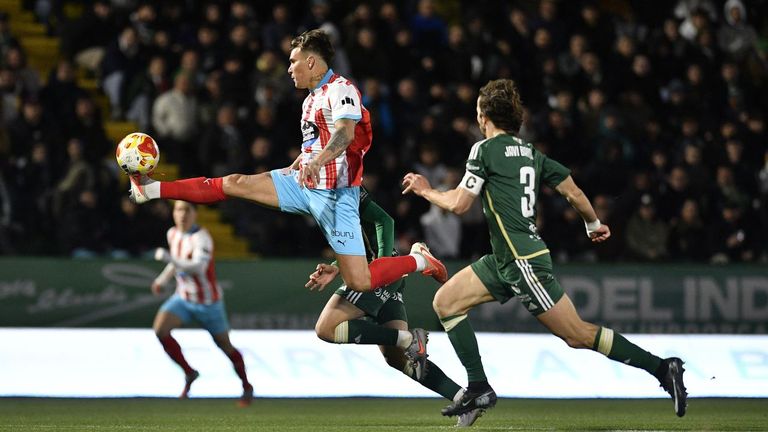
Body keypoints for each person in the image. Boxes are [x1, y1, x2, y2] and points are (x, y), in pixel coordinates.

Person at [128, 29, 442, 377]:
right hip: (303, 183)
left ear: (311, 61)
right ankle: (153, 190)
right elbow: (316, 143)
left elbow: (345, 134)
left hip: (336, 195)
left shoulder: (342, 89)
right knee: (235, 183)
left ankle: (418, 260)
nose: (289, 69)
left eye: (293, 62)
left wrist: (318, 161)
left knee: (360, 281)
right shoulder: (309, 101)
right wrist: (300, 162)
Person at [401, 79, 688, 419]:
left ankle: (662, 368)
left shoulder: (484, 150)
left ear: (485, 116)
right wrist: (593, 224)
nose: (476, 117)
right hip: (505, 258)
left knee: (578, 334)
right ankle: (478, 387)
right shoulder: (531, 153)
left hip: (522, 262)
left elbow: (460, 204)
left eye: (478, 110)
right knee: (446, 302)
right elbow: (574, 192)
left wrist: (426, 191)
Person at [305, 187, 483, 427]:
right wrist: (337, 266)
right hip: (380, 272)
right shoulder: (320, 190)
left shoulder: (342, 184)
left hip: (378, 273)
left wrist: (383, 266)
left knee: (326, 328)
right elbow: (354, 241)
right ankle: (464, 399)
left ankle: (408, 337)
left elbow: (384, 221)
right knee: (398, 359)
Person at [151, 200, 253, 406]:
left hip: (208, 303)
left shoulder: (202, 238)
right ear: (173, 213)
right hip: (183, 298)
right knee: (160, 330)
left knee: (224, 345)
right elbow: (176, 262)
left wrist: (168, 258)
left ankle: (246, 385)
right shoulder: (172, 234)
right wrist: (162, 279)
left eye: (187, 210)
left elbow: (198, 267)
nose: (182, 214)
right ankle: (189, 373)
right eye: (179, 209)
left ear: (195, 214)